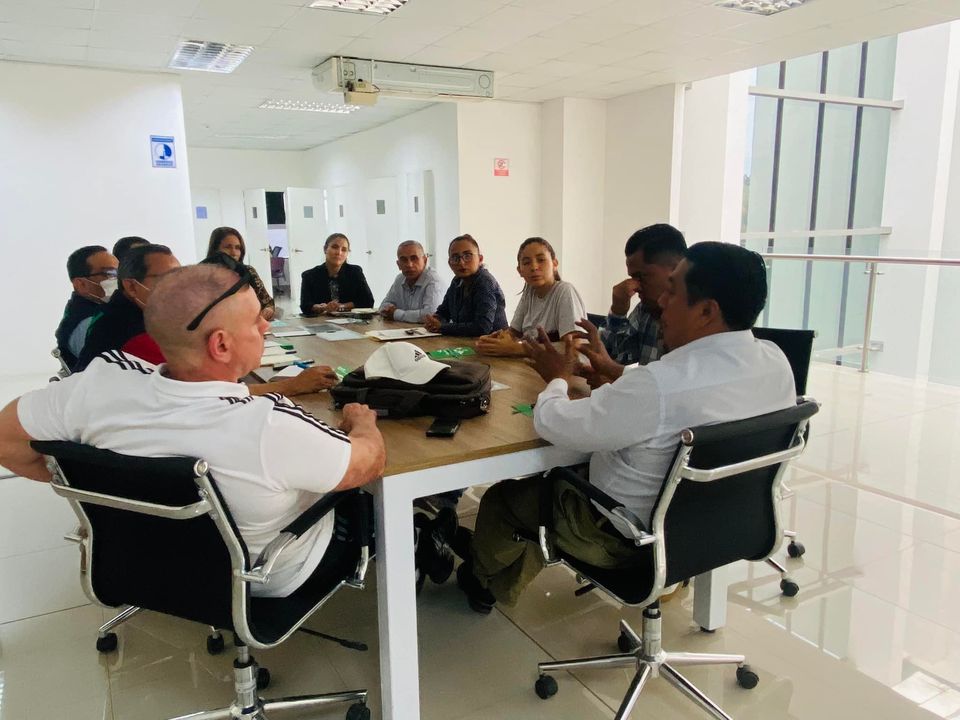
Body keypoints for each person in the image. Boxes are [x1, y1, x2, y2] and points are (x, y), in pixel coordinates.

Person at [0, 264, 385, 598]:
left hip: (136, 561)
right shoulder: (267, 424)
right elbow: (368, 464)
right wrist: (362, 421)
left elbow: (5, 439)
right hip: (264, 575)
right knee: (372, 498)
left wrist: (85, 482)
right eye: (256, 320)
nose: (266, 326)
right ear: (221, 344)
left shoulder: (97, 383)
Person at [456, 242, 797, 613]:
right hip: (723, 524)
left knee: (504, 500)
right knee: (554, 488)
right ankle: (499, 580)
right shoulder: (776, 361)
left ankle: (481, 577)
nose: (661, 301)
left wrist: (556, 379)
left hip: (623, 537)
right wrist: (617, 375)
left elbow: (554, 424)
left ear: (706, 311)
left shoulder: (658, 386)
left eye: (672, 291)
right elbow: (676, 399)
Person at [77, 246, 340, 397]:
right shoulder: (134, 334)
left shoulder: (126, 312)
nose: (178, 286)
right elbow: (207, 394)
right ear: (132, 287)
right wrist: (291, 385)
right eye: (167, 279)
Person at [597, 224, 687, 376]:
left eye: (642, 276)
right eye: (632, 277)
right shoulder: (645, 309)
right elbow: (613, 358)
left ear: (676, 268)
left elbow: (674, 382)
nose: (635, 286)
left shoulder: (699, 318)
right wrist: (618, 312)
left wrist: (614, 374)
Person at [75, 244, 179, 371]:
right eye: (167, 279)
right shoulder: (127, 330)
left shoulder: (124, 310)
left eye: (179, 278)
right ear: (131, 287)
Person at [477, 237, 586, 357]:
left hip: (569, 368)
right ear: (520, 271)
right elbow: (514, 333)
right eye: (526, 263)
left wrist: (518, 349)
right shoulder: (529, 291)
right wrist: (496, 340)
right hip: (535, 365)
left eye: (541, 260)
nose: (534, 267)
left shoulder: (564, 291)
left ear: (555, 264)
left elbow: (575, 347)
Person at [423, 234, 508, 337]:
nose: (461, 263)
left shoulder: (485, 282)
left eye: (467, 256)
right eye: (455, 258)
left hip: (492, 342)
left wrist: (442, 327)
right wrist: (435, 320)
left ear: (480, 259)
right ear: (449, 263)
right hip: (464, 341)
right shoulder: (457, 281)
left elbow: (482, 327)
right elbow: (444, 311)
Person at [54, 245, 119, 369]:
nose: (118, 279)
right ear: (81, 284)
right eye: (110, 273)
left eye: (120, 272)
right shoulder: (85, 324)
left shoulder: (109, 311)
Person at [206, 226, 275, 320]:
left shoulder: (248, 272)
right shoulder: (204, 275)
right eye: (228, 247)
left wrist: (267, 311)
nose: (234, 253)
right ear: (215, 249)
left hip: (249, 323)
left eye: (237, 248)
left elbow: (268, 303)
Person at [300, 233, 374, 315]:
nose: (339, 252)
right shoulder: (309, 275)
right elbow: (305, 306)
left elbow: (368, 301)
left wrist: (341, 306)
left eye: (344, 249)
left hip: (350, 320)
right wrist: (323, 308)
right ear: (325, 249)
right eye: (334, 247)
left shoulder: (355, 272)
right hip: (321, 320)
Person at [379, 241, 445, 323]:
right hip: (404, 329)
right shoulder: (399, 279)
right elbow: (383, 306)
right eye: (404, 260)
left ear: (425, 261)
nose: (409, 265)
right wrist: (390, 311)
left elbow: (431, 315)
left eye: (414, 258)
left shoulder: (434, 281)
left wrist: (396, 313)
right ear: (398, 264)